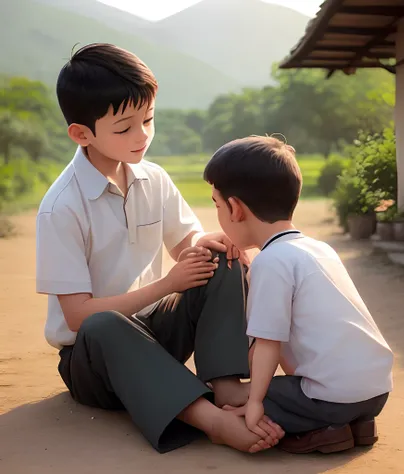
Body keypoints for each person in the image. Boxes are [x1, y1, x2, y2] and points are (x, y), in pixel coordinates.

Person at [35, 43, 284, 455]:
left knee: (219, 255)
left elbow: (188, 243)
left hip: (157, 337)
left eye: (148, 119)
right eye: (124, 128)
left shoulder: (154, 178)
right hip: (94, 360)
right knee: (103, 323)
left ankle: (224, 384)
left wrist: (209, 247)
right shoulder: (62, 207)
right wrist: (168, 282)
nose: (143, 136)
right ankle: (212, 421)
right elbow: (77, 316)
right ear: (82, 134)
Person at [203, 135, 394, 454]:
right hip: (377, 392)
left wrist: (253, 404)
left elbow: (266, 345)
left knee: (239, 402)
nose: (219, 214)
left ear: (235, 208)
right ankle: (356, 424)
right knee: (293, 392)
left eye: (217, 205)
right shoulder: (319, 249)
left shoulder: (270, 261)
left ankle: (321, 431)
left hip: (329, 398)